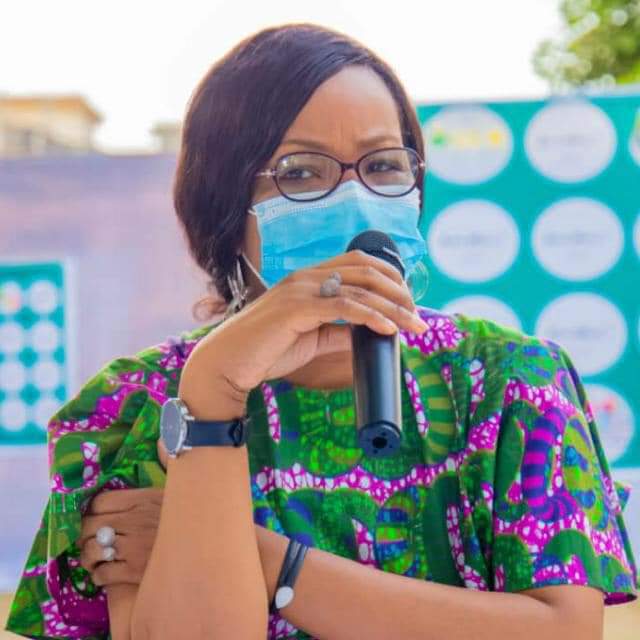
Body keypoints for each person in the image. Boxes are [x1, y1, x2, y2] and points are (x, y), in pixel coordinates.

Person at [5, 23, 638, 640]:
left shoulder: (512, 379)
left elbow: (564, 629)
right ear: (223, 205)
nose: (356, 199)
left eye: (383, 165)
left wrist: (269, 560)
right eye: (302, 172)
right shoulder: (139, 400)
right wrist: (211, 396)